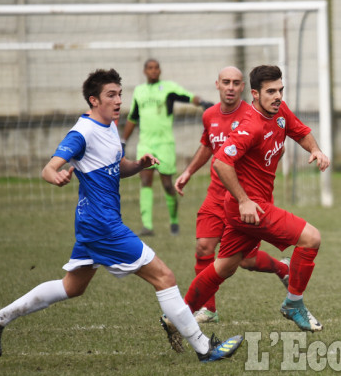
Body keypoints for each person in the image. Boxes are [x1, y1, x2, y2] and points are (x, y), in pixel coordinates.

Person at [0, 68, 242, 362]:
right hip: (103, 225)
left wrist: (138, 165)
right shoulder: (83, 132)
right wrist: (56, 176)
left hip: (93, 223)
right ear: (94, 100)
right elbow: (49, 168)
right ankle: (205, 348)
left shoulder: (110, 128)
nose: (118, 101)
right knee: (165, 277)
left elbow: (115, 169)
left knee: (72, 286)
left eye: (119, 94)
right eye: (110, 95)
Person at [164, 65, 329, 341]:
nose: (278, 96)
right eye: (271, 92)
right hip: (250, 209)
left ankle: (177, 317)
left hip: (252, 206)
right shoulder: (249, 126)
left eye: (280, 90)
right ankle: (293, 303)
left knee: (224, 267)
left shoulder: (279, 111)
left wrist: (315, 150)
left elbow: (299, 131)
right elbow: (221, 163)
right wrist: (244, 201)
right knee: (311, 238)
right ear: (254, 94)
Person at [174, 66, 290, 324]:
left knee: (246, 261)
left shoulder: (254, 116)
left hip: (245, 197)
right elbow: (208, 145)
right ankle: (208, 308)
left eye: (236, 83)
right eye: (226, 82)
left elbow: (274, 143)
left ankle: (283, 268)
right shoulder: (209, 115)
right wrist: (189, 172)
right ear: (217, 85)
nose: (230, 87)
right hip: (216, 194)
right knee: (204, 246)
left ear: (244, 89)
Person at [122, 59, 212, 237]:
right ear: (145, 71)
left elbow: (188, 96)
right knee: (145, 181)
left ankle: (174, 220)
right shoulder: (139, 92)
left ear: (160, 71)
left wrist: (202, 103)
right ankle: (147, 226)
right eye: (150, 68)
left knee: (167, 184)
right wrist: (123, 140)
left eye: (156, 68)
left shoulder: (168, 88)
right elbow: (133, 117)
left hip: (165, 144)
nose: (153, 71)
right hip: (145, 143)